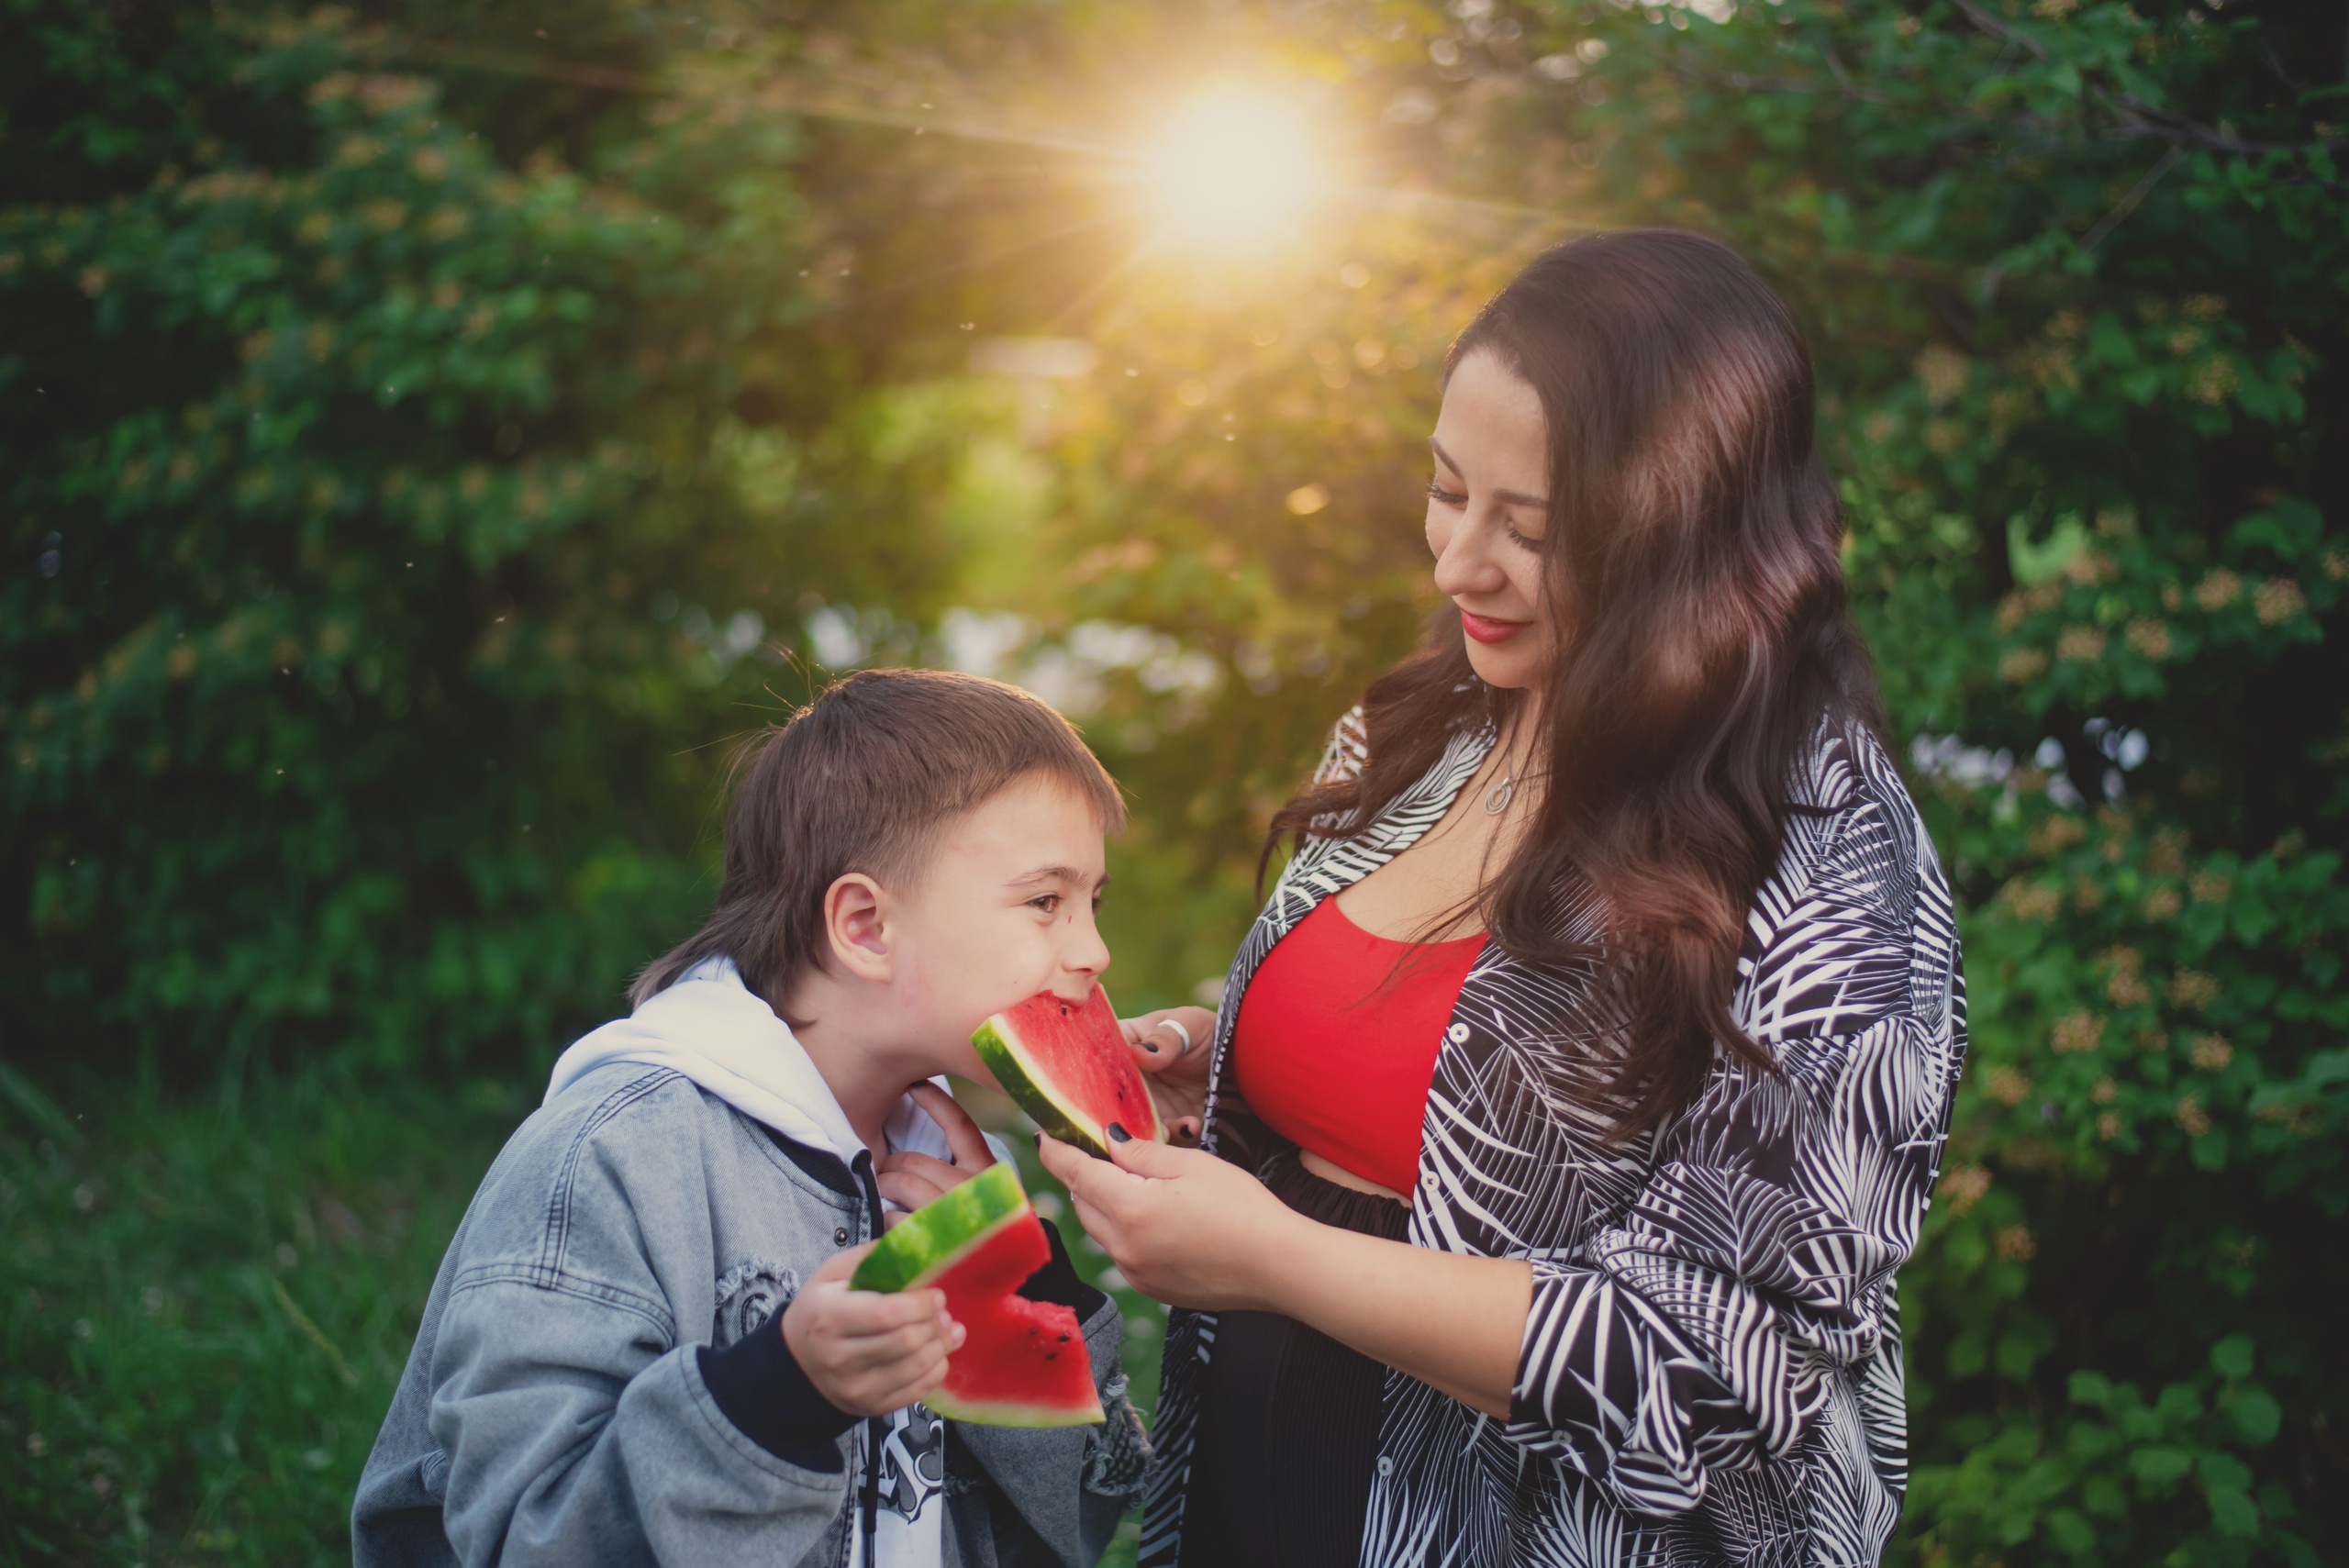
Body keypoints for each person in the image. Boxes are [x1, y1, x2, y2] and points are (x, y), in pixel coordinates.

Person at [1040, 230, 1968, 1567]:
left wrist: (1279, 1258)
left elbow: (1719, 1370)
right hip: (1263, 1479)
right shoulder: (1424, 727)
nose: (1455, 565)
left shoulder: (1828, 856)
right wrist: (1233, 1063)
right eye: (1445, 491)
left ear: (1687, 536)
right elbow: (1428, 1069)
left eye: (1528, 530)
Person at [353, 668, 1147, 1568]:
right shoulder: (609, 1160)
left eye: (1094, 901)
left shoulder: (951, 1166)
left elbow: (1079, 1522)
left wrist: (1038, 1299)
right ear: (863, 925)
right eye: (1046, 900)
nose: (1094, 949)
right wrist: (776, 1396)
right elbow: (519, 1534)